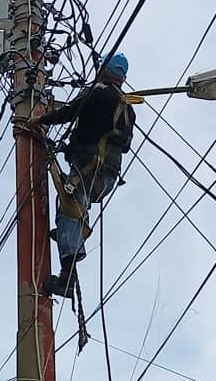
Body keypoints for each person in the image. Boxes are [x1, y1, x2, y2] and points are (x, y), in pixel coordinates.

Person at [28, 52, 135, 298]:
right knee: (72, 205)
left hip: (89, 169)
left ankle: (66, 278)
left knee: (69, 209)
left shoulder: (97, 92)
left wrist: (40, 120)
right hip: (107, 178)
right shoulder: (128, 107)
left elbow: (70, 112)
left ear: (104, 69)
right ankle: (69, 237)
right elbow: (125, 146)